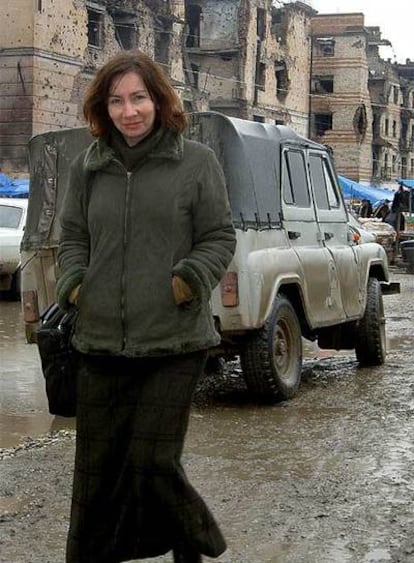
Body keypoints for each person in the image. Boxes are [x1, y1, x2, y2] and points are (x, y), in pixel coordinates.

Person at [56, 50, 236, 563]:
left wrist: (189, 279)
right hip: (99, 339)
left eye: (138, 98)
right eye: (116, 101)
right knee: (97, 469)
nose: (128, 111)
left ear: (158, 100)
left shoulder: (195, 161)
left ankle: (200, 540)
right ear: (103, 107)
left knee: (152, 460)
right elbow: (72, 237)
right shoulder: (87, 167)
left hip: (175, 339)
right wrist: (75, 284)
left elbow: (219, 237)